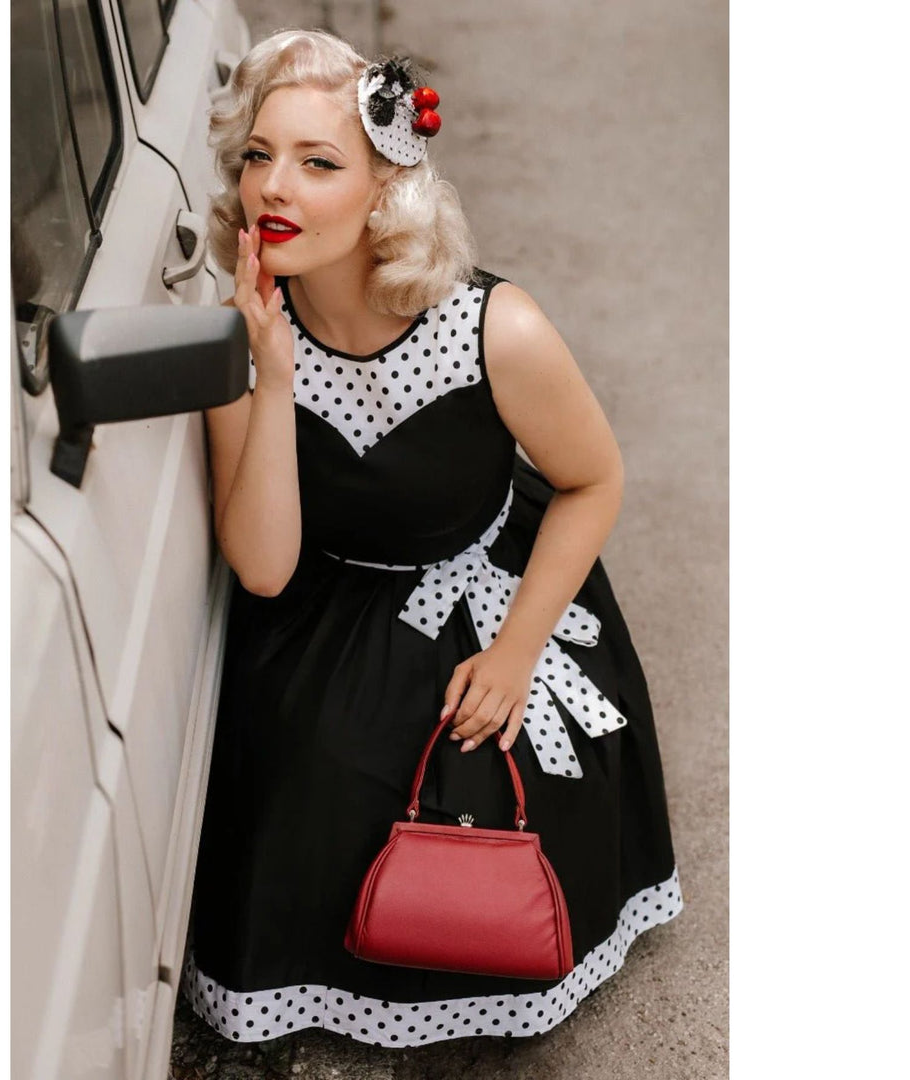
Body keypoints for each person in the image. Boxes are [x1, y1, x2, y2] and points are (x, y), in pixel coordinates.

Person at [184, 28, 682, 1048]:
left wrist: (516, 651)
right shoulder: (236, 343)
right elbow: (268, 566)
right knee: (315, 788)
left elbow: (594, 480)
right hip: (328, 606)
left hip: (494, 587)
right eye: (259, 156)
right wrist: (271, 377)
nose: (277, 187)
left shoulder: (496, 327)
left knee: (506, 791)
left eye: (320, 164)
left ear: (385, 191)